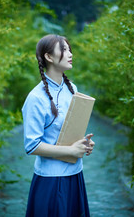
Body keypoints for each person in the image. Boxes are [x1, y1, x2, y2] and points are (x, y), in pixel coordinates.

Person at [22, 34, 95, 217]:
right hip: (51, 181)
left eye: (69, 49)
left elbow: (70, 132)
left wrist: (83, 144)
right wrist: (70, 151)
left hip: (75, 174)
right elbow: (32, 145)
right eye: (63, 49)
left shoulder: (73, 89)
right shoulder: (36, 98)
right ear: (49, 57)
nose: (70, 53)